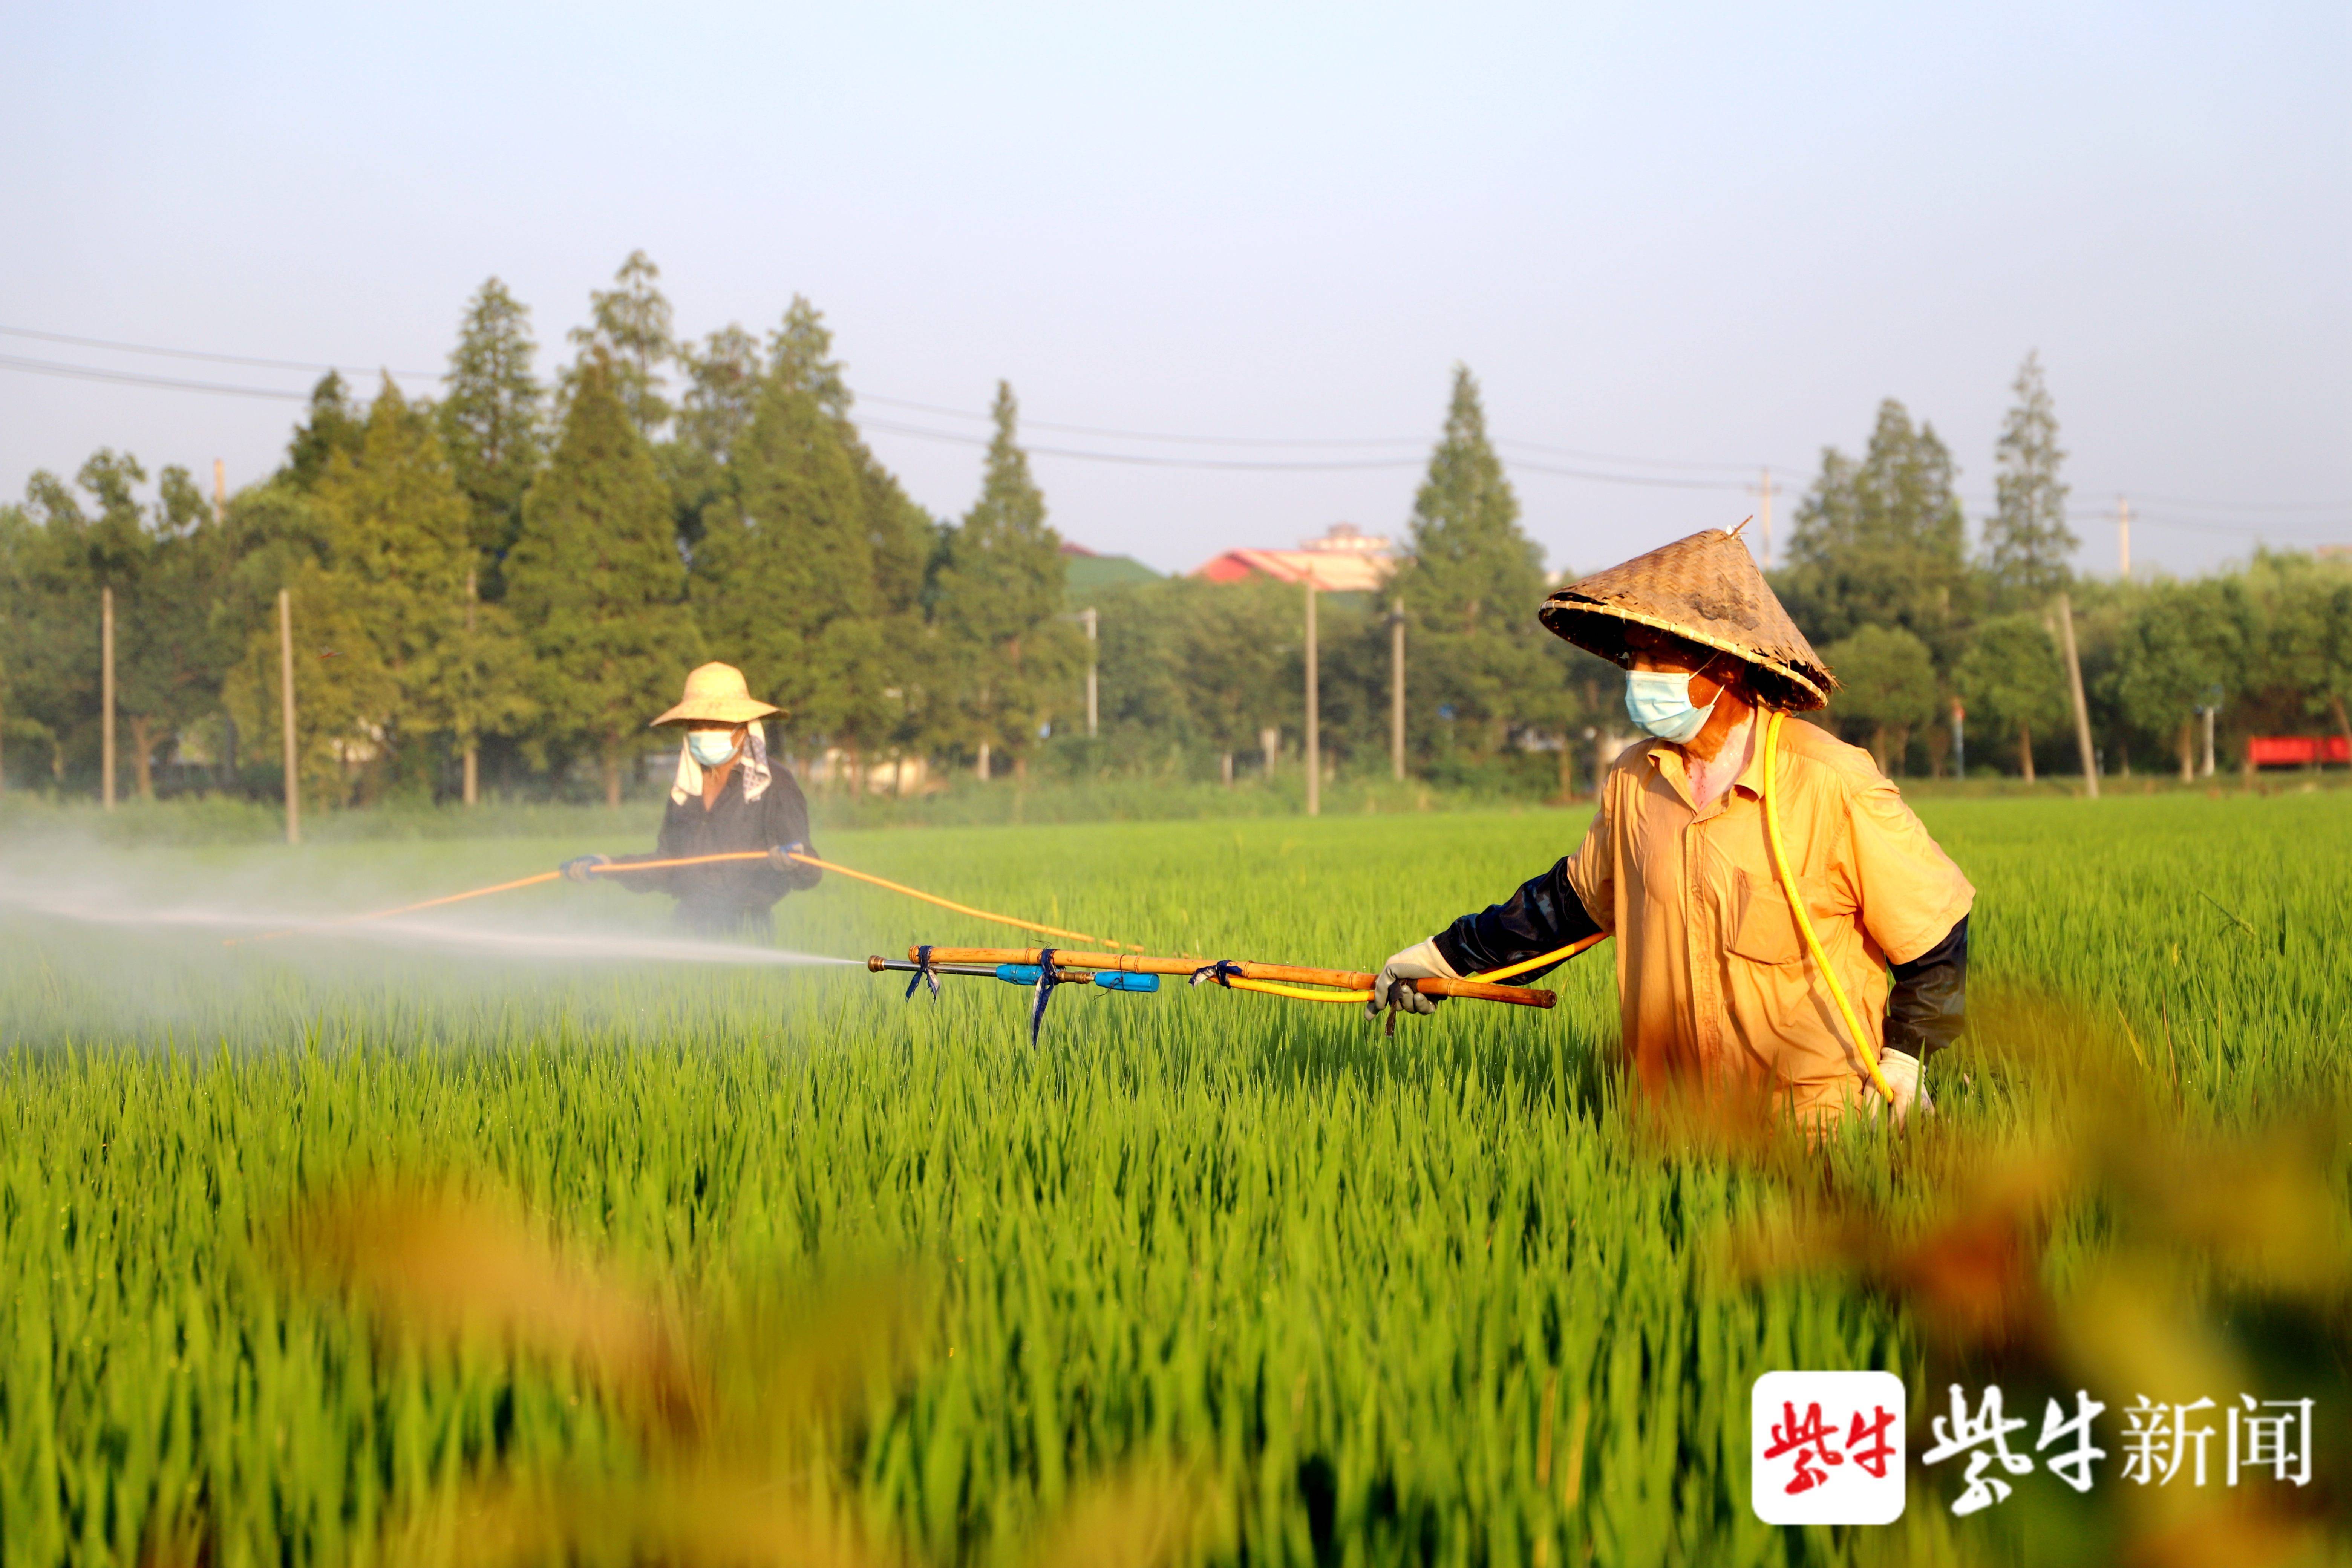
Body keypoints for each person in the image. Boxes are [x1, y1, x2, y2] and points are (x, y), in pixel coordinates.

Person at [1368, 526, 1973, 1127]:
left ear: (1730, 666)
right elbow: (1568, 908)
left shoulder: (1831, 781)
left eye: (1663, 657)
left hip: (1813, 1127)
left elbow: (1934, 935)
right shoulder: (1636, 780)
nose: (1641, 676)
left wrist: (1907, 1055)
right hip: (1675, 1127)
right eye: (1635, 658)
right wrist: (1445, 960)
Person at [559, 662, 821, 940]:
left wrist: (794, 861)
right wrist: (607, 866)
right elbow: (667, 864)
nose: (705, 732)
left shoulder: (774, 783)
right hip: (686, 928)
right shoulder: (686, 787)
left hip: (748, 929)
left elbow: (811, 872)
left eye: (717, 724)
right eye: (697, 725)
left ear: (743, 730)